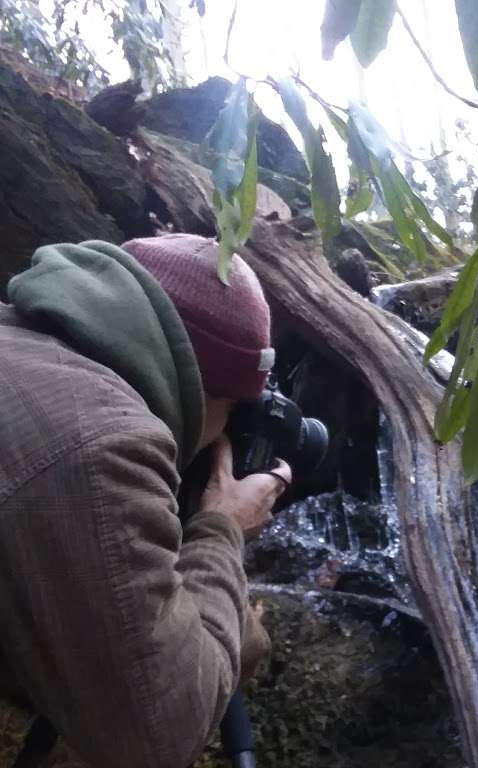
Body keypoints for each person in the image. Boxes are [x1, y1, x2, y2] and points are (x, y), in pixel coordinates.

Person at [0, 234, 291, 767]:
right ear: (200, 388)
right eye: (234, 412)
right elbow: (158, 735)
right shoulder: (105, 446)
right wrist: (223, 526)